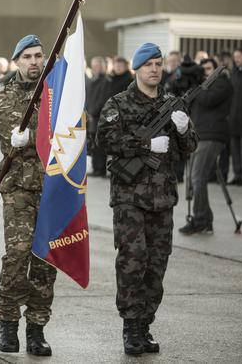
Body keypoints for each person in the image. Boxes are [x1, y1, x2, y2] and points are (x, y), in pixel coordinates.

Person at [97, 42, 198, 356]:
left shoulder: (172, 103)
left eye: (158, 64)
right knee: (133, 261)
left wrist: (183, 129)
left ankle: (144, 325)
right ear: (136, 69)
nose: (155, 69)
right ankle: (130, 327)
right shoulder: (119, 103)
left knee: (156, 265)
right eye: (149, 64)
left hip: (163, 198)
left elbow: (189, 147)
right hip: (129, 198)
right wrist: (144, 146)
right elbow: (105, 139)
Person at [0, 34, 56, 356]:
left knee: (45, 261)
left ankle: (36, 328)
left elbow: (70, 132)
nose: (35, 62)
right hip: (18, 189)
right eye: (28, 57)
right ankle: (8, 321)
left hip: (52, 190)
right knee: (18, 256)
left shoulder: (55, 96)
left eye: (39, 56)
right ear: (16, 61)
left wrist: (33, 136)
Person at [180, 58, 232, 235]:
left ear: (216, 68)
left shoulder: (222, 82)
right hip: (200, 134)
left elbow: (208, 100)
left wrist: (196, 85)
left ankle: (201, 219)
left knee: (198, 177)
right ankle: (204, 219)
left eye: (209, 68)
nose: (206, 72)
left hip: (213, 134)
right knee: (194, 179)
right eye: (203, 70)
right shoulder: (201, 85)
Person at [86, 56, 109, 177]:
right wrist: (88, 111)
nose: (95, 68)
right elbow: (89, 98)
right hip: (91, 116)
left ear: (102, 66)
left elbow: (103, 99)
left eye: (97, 66)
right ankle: (96, 168)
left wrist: (93, 112)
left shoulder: (105, 81)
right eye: (93, 66)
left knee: (100, 144)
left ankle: (101, 169)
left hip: (99, 116)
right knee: (93, 143)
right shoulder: (91, 80)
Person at [228, 48, 242, 185]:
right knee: (234, 147)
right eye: (235, 57)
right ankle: (237, 174)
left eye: (239, 56)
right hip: (233, 115)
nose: (236, 59)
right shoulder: (234, 72)